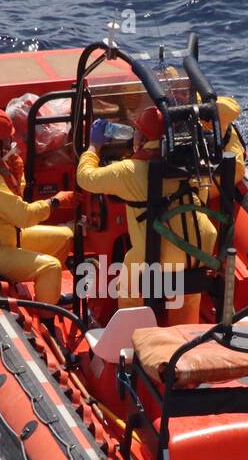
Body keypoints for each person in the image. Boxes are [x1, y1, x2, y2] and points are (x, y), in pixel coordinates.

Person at [76, 106, 216, 325]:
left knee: (129, 283)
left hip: (160, 254)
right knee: (188, 291)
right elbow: (203, 196)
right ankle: (186, 334)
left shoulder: (128, 170)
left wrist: (94, 146)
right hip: (202, 246)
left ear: (142, 137)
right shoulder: (190, 161)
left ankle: (132, 335)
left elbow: (86, 178)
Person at [0, 107, 75, 304]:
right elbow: (23, 216)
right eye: (7, 140)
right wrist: (56, 202)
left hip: (2, 236)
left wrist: (18, 175)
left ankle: (47, 294)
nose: (11, 144)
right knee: (50, 267)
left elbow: (14, 199)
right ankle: (47, 317)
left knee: (65, 237)